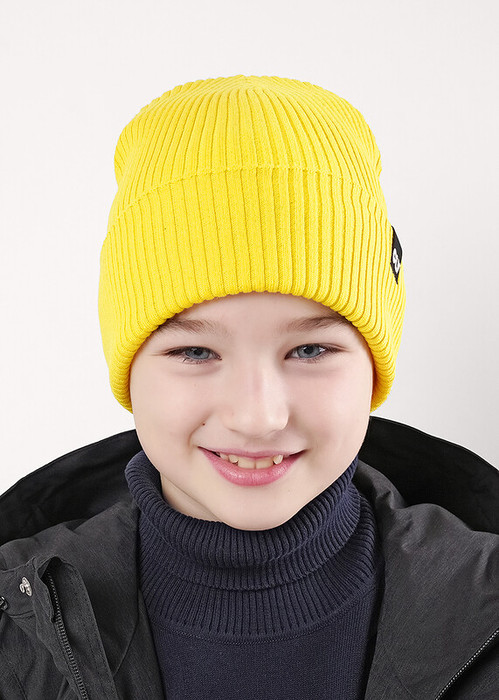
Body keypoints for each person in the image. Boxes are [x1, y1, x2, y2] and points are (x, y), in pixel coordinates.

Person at [0, 75, 497, 700]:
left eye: (310, 350)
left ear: (374, 366)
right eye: (195, 352)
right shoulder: (14, 625)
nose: (257, 417)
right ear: (129, 369)